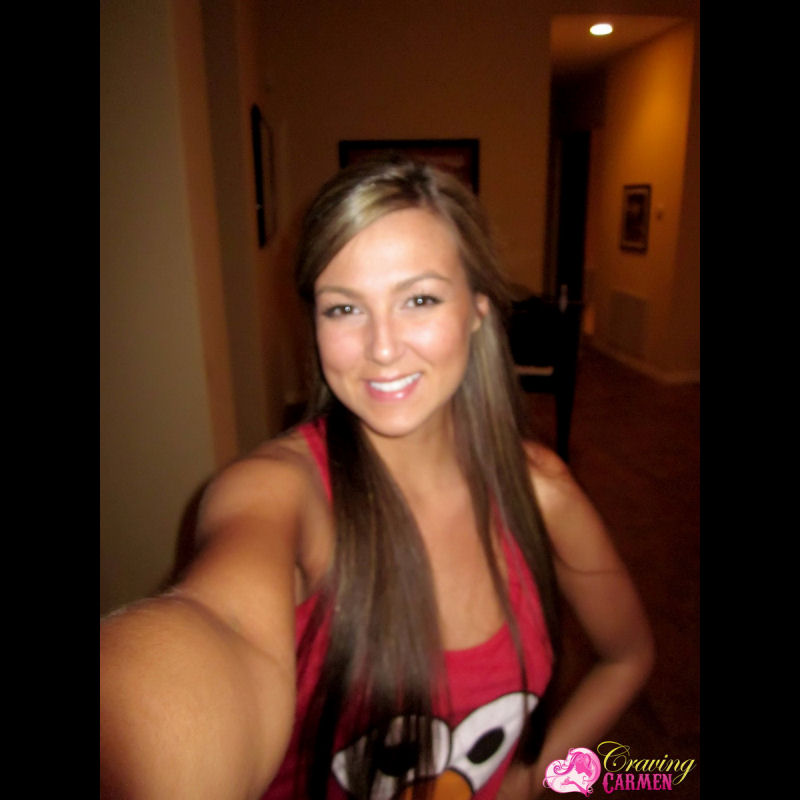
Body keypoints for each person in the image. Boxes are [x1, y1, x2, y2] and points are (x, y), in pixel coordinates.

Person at [100, 156, 654, 800]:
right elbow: (218, 630)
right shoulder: (280, 495)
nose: (383, 347)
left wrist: (536, 779)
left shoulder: (540, 491)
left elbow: (628, 657)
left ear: (477, 310)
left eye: (419, 299)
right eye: (344, 309)